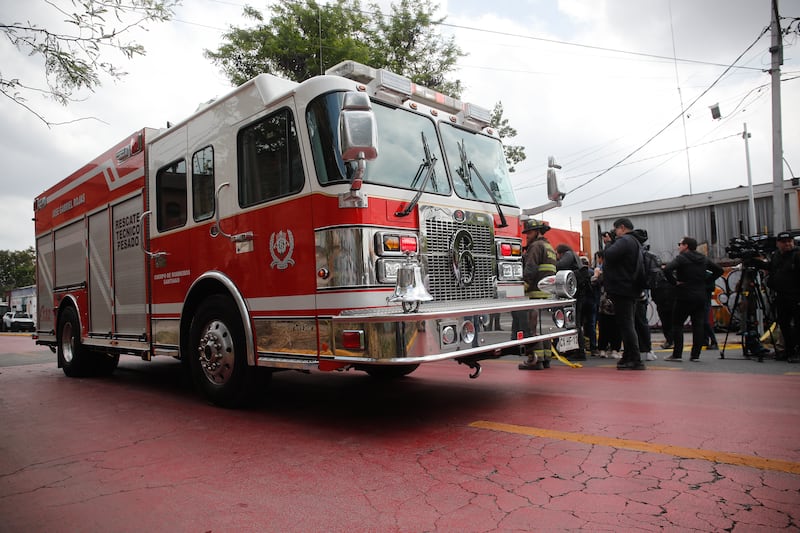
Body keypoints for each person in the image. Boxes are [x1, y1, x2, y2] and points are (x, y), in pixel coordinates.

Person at [663, 237, 724, 362]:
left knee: (678, 324)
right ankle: (695, 355)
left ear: (686, 246)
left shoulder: (681, 258)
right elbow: (719, 270)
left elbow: (668, 269)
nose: (678, 246)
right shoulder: (703, 258)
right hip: (700, 295)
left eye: (680, 244)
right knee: (698, 325)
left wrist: (675, 282)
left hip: (684, 294)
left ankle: (677, 354)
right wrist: (706, 281)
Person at [603, 217, 646, 370]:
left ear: (621, 227)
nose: (614, 233)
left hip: (622, 288)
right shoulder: (635, 242)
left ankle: (634, 358)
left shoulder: (625, 240)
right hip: (631, 288)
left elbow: (608, 255)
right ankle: (628, 356)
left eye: (615, 230)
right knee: (627, 323)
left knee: (626, 324)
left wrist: (608, 243)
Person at [518, 218, 558, 370]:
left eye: (529, 233)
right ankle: (546, 358)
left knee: (532, 328)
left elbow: (531, 268)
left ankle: (534, 360)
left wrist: (524, 286)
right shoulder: (549, 247)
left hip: (535, 294)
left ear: (536, 232)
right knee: (544, 328)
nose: (527, 236)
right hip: (547, 294)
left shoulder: (535, 246)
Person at [766, 232, 800, 363]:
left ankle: (797, 351)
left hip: (795, 296)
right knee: (784, 325)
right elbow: (771, 269)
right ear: (778, 243)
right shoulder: (776, 256)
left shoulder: (797, 255)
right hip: (781, 296)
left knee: (798, 325)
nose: (787, 244)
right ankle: (788, 351)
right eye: (784, 242)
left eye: (789, 241)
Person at [555, 243, 588, 361]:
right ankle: (574, 349)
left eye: (557, 254)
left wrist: (552, 263)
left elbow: (560, 265)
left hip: (576, 294)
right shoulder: (574, 256)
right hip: (579, 293)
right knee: (574, 321)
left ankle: (579, 351)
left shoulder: (569, 255)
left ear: (560, 252)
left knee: (575, 322)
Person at [630, 228, 657, 361]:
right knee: (642, 321)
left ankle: (639, 350)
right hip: (643, 291)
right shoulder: (647, 253)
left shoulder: (636, 253)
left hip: (635, 291)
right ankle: (647, 349)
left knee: (634, 322)